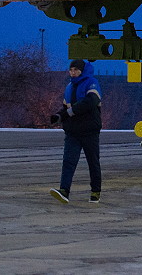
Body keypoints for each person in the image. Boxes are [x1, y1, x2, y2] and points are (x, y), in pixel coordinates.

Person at [49, 59, 103, 203]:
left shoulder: (92, 83)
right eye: (71, 70)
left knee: (93, 162)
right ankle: (64, 191)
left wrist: (68, 113)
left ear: (82, 71)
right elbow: (65, 107)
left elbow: (90, 102)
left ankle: (95, 192)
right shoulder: (69, 87)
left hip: (89, 131)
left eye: (76, 70)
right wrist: (59, 116)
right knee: (68, 161)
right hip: (72, 131)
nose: (73, 73)